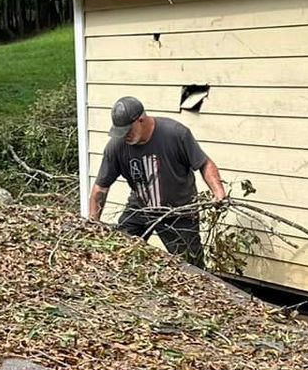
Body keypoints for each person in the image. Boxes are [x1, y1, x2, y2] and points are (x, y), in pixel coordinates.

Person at [85, 96, 227, 267]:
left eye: (128, 131)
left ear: (141, 120)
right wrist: (93, 225)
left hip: (179, 211)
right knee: (120, 249)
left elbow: (204, 164)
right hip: (141, 206)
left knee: (191, 265)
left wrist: (218, 192)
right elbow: (100, 189)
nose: (125, 137)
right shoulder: (116, 147)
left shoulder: (175, 134)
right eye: (120, 133)